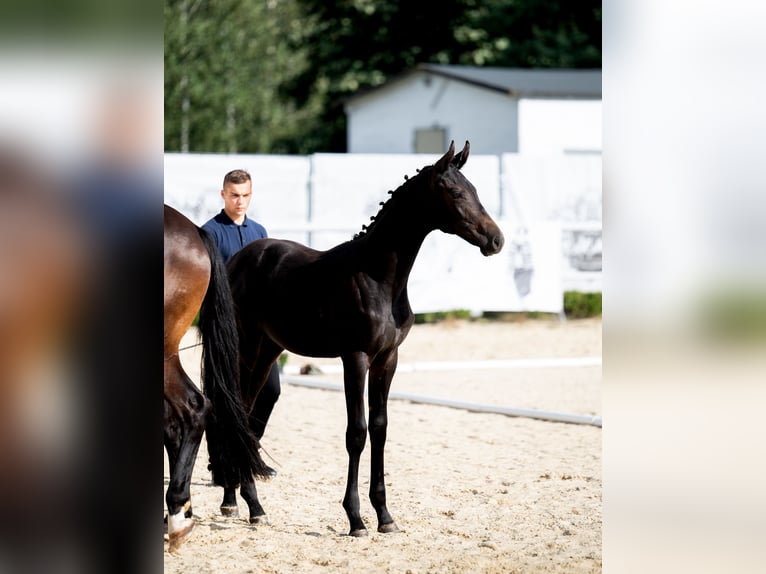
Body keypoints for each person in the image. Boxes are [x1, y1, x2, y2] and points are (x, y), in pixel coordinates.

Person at [202, 169, 281, 455]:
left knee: (270, 390)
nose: (240, 201)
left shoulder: (259, 232)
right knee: (222, 394)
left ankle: (248, 450)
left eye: (245, 195)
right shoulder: (210, 232)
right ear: (223, 194)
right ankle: (218, 458)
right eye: (234, 195)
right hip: (227, 329)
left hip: (260, 332)